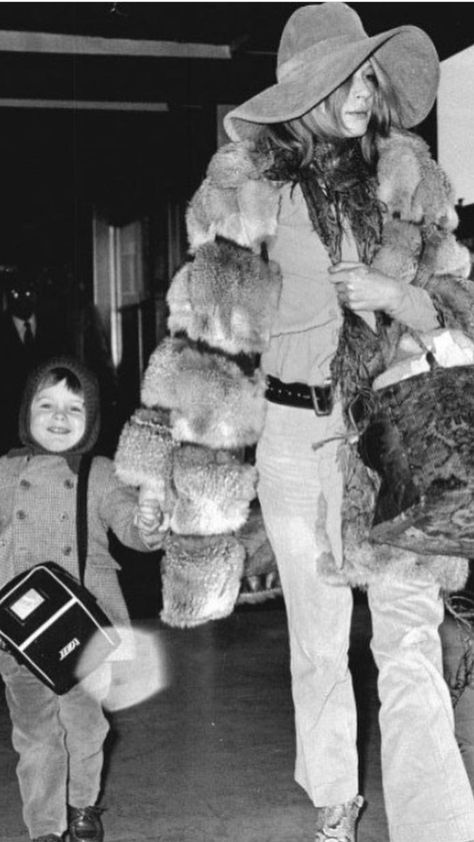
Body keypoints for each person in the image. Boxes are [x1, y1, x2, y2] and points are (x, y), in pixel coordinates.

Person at [138, 4, 474, 841]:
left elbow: (462, 305)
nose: (361, 93)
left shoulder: (411, 181)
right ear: (300, 94)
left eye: (366, 75)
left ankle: (438, 827)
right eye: (341, 78)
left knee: (408, 637)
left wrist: (399, 297)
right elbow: (208, 346)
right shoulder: (247, 187)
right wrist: (168, 479)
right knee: (319, 644)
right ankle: (334, 801)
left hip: (392, 433)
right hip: (292, 439)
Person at [0, 356, 166, 842]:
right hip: (20, 637)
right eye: (46, 404)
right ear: (26, 412)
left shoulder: (101, 472)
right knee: (36, 737)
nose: (58, 417)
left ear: (91, 419)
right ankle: (45, 830)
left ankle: (81, 806)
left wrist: (149, 522)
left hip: (85, 631)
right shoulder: (5, 473)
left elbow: (130, 526)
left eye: (74, 408)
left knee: (87, 728)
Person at [0, 266, 73, 454]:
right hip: (7, 427)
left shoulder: (56, 327)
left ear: (37, 294)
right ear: (7, 296)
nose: (23, 298)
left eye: (28, 292)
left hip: (49, 426)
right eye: (15, 293)